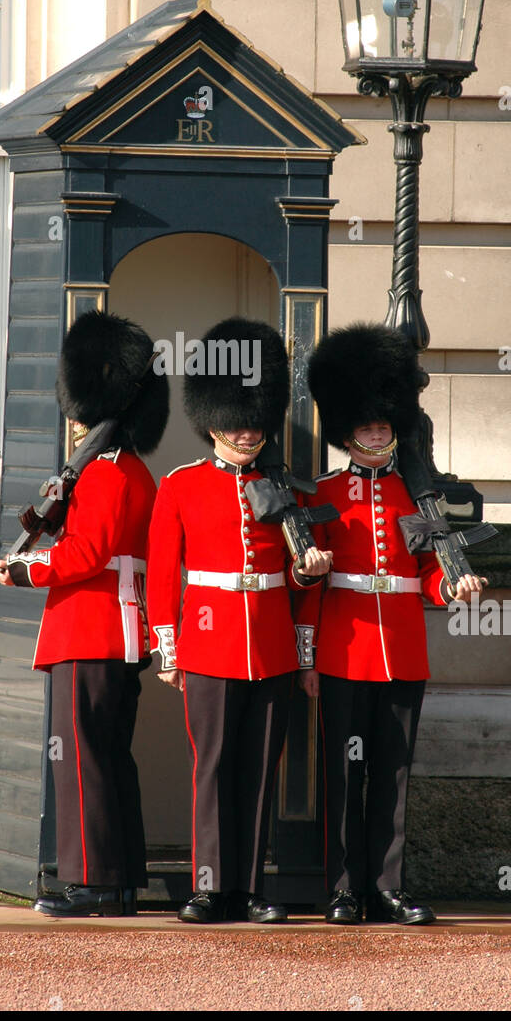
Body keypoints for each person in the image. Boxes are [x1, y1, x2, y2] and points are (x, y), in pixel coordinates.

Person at [298, 323, 485, 926]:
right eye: (366, 427)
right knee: (344, 775)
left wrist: (453, 584)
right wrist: (308, 659)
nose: (376, 434)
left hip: (401, 652)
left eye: (383, 426)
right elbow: (306, 587)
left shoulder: (416, 496)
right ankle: (343, 888)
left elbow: (428, 572)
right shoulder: (323, 494)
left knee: (393, 778)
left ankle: (386, 887)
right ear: (347, 432)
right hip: (343, 654)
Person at [147, 317, 331, 925]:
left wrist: (308, 574)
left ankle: (249, 889)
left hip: (272, 647)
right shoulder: (182, 486)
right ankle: (207, 887)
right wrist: (168, 651)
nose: (247, 431)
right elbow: (163, 574)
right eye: (234, 420)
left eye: (254, 420)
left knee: (259, 773)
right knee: (214, 766)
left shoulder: (287, 490)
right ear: (211, 421)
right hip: (208, 645)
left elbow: (302, 581)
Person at [0, 310, 168, 917]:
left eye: (81, 413)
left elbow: (88, 554)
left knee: (83, 759)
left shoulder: (106, 474)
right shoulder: (131, 471)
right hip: (116, 631)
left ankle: (90, 881)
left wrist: (23, 568)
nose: (73, 424)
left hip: (89, 630)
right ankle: (118, 882)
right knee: (109, 757)